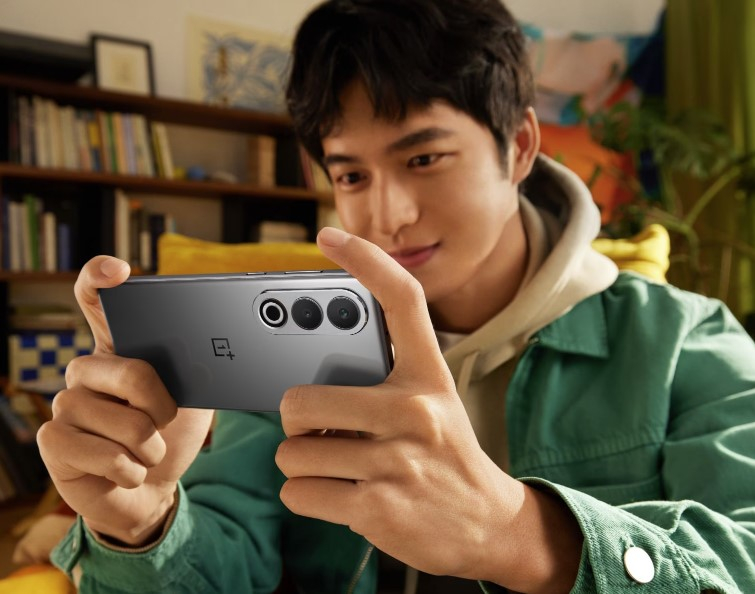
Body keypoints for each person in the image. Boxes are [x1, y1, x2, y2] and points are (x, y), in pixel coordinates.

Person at [39, 0, 755, 592]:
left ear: (519, 147)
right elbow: (236, 565)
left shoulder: (686, 343)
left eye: (423, 157)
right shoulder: (289, 341)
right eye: (351, 175)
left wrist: (516, 534)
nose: (389, 216)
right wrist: (142, 523)